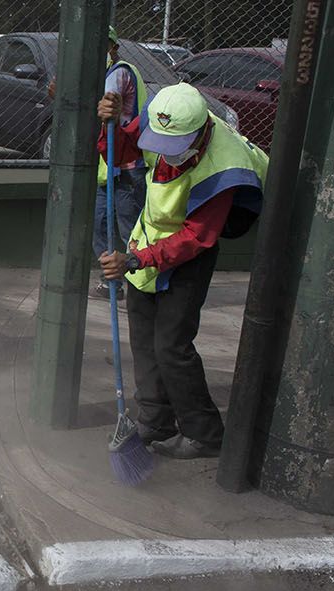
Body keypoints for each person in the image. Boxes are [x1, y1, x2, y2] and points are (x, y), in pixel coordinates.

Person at [97, 83, 268, 459]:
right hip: (148, 243)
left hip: (187, 255)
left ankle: (204, 433)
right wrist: (108, 124)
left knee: (171, 346)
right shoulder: (162, 120)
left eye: (175, 149)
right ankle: (156, 420)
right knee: (143, 337)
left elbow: (198, 237)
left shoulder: (224, 167)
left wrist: (137, 260)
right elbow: (124, 153)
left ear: (200, 132)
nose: (166, 157)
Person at [90, 26, 148, 301]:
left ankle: (138, 286)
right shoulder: (103, 75)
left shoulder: (119, 72)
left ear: (113, 48)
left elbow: (109, 101)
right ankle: (111, 282)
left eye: (106, 45)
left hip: (128, 166)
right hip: (109, 170)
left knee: (129, 230)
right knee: (98, 225)